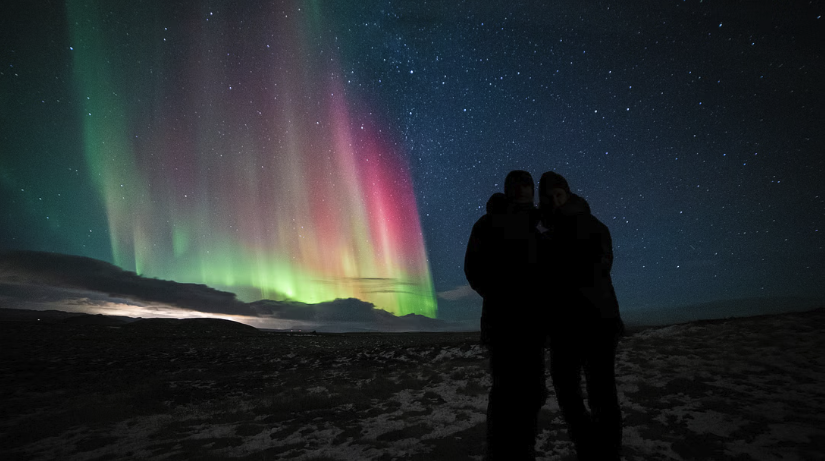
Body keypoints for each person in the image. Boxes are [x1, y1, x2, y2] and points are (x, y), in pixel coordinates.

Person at [538, 171, 624, 461]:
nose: (555, 201)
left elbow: (599, 265)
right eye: (549, 197)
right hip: (565, 325)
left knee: (601, 392)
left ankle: (607, 453)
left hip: (596, 321)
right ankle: (589, 448)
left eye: (558, 195)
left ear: (567, 193)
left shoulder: (590, 225)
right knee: (568, 391)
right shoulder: (546, 232)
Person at [464, 171, 545, 460]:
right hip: (503, 323)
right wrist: (500, 295)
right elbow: (474, 269)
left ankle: (523, 450)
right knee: (506, 393)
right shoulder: (488, 224)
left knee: (532, 392)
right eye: (518, 186)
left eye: (528, 186)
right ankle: (500, 452)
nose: (524, 191)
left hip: (532, 324)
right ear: (509, 190)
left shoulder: (537, 225)